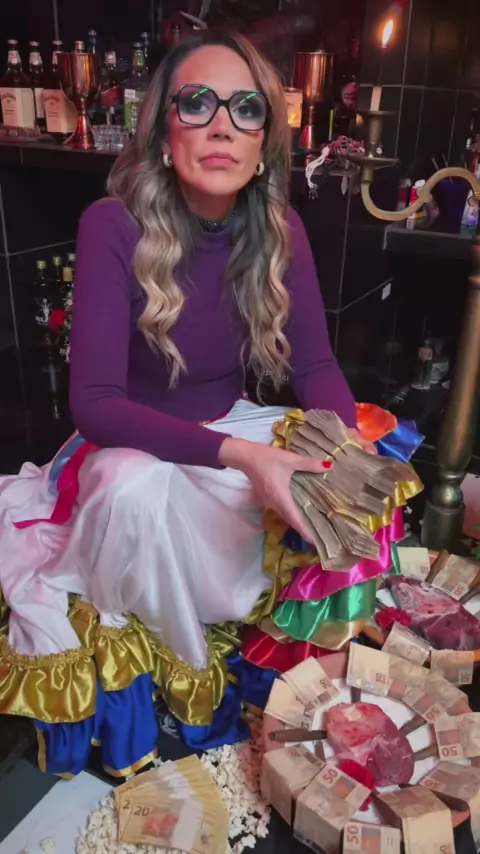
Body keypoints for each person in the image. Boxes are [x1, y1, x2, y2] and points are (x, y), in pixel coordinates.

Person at [0, 30, 362, 776]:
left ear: (264, 143)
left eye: (245, 108)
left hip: (228, 426)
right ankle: (162, 667)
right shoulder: (112, 224)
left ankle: (261, 665)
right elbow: (96, 405)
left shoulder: (281, 229)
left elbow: (317, 367)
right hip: (130, 440)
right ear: (164, 132)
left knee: (325, 478)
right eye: (197, 103)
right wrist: (246, 459)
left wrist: (347, 458)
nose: (222, 125)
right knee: (131, 488)